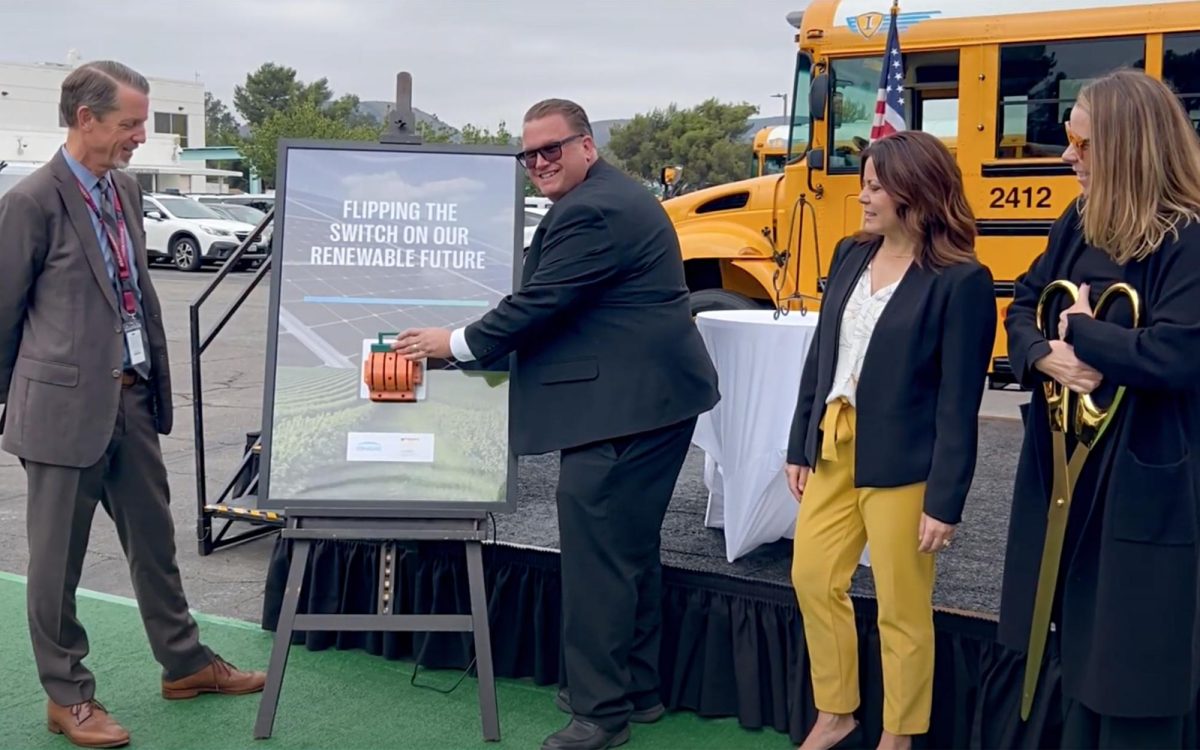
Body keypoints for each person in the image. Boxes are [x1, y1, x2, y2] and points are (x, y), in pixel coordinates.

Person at [393, 98, 720, 750]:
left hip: (627, 411)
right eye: (529, 154)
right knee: (626, 552)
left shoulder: (594, 209)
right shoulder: (604, 198)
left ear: (586, 147)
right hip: (646, 403)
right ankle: (636, 691)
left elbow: (540, 304)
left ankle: (600, 715)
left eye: (552, 149)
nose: (539, 162)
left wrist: (450, 344)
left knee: (600, 560)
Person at [0, 60, 265, 749]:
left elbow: (132, 291)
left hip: (133, 399)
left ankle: (185, 665)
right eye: (130, 124)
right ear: (85, 119)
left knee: (154, 544)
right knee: (57, 566)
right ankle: (68, 696)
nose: (140, 136)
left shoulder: (122, 188)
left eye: (143, 122)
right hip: (60, 413)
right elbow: (3, 316)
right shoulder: (31, 201)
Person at [998, 69, 1200, 748]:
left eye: (1079, 142)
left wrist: (1083, 333)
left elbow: (1174, 357)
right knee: (1066, 628)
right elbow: (1024, 303)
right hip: (1067, 466)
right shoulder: (1079, 222)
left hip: (1140, 475)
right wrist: (1045, 355)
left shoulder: (1188, 238)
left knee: (1130, 651)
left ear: (1126, 146)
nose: (1066, 155)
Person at [784, 130, 997, 750]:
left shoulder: (962, 282)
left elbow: (960, 403)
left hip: (906, 464)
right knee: (812, 576)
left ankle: (899, 736)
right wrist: (800, 444)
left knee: (902, 605)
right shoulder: (851, 255)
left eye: (875, 186)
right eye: (864, 184)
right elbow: (821, 358)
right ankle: (837, 714)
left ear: (915, 193)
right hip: (833, 446)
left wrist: (945, 500)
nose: (863, 196)